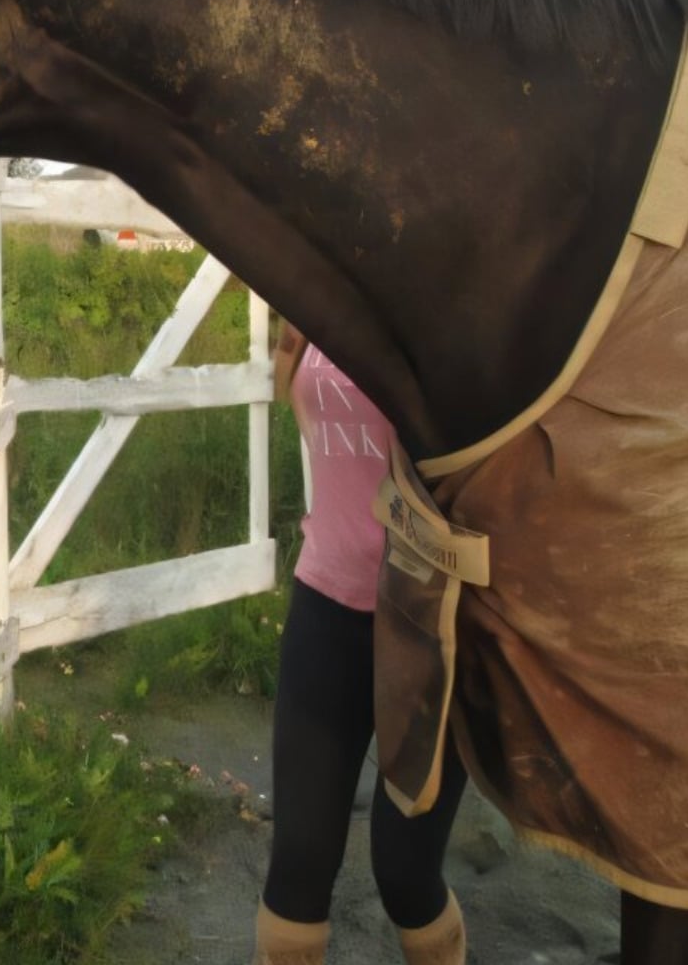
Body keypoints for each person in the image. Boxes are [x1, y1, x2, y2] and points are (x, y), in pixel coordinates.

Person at [254, 324, 469, 965]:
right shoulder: (316, 295)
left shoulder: (439, 297)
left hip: (427, 624)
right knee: (298, 863)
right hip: (325, 601)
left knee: (404, 872)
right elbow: (287, 374)